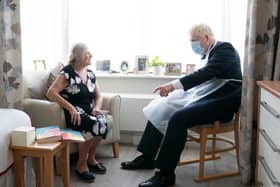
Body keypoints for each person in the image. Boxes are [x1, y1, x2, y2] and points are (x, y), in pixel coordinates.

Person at [120, 23, 242, 187]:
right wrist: (172, 89)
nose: (193, 45)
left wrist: (172, 85)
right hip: (209, 96)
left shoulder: (225, 49)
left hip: (222, 102)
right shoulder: (207, 53)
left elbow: (204, 75)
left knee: (178, 118)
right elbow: (202, 78)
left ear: (206, 37)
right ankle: (147, 157)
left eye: (195, 41)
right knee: (162, 106)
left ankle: (165, 174)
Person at [46, 43, 107, 183]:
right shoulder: (67, 72)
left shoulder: (90, 74)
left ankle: (91, 159)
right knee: (92, 123)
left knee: (102, 121)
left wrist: (97, 108)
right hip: (74, 112)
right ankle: (81, 165)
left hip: (88, 111)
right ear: (79, 55)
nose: (91, 56)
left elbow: (99, 95)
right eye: (88, 53)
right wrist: (71, 108)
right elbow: (51, 92)